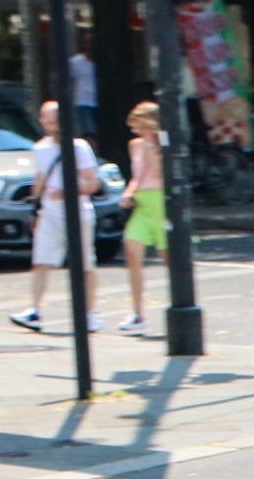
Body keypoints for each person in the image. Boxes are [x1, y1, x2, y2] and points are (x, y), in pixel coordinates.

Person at [11, 100, 101, 333]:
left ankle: (90, 313)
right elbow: (40, 179)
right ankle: (34, 310)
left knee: (84, 265)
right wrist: (35, 210)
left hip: (77, 213)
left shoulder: (79, 147)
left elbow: (92, 183)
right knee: (40, 261)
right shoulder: (40, 148)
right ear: (42, 123)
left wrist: (68, 192)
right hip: (49, 213)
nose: (54, 127)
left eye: (57, 122)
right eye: (49, 123)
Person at [113, 101, 166, 334]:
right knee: (132, 253)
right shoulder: (134, 145)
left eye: (139, 126)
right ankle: (137, 313)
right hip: (143, 204)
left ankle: (179, 303)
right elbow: (137, 176)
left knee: (168, 258)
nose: (135, 131)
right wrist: (128, 193)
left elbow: (157, 172)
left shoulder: (163, 143)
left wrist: (150, 147)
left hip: (161, 202)